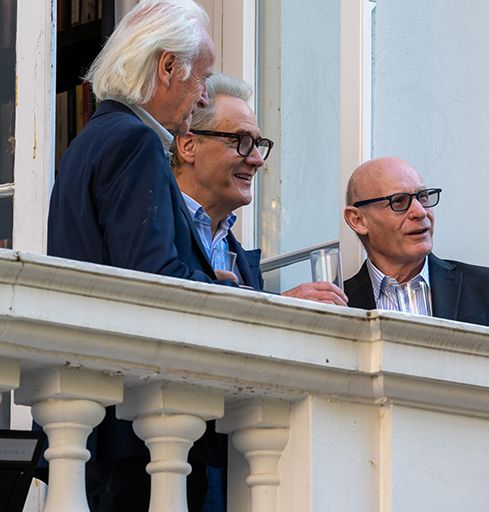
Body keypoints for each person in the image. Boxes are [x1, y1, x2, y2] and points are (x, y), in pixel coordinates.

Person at [46, 1, 222, 510]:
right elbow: (154, 282)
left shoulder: (88, 141)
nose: (205, 97)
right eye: (203, 77)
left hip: (98, 423)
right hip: (140, 431)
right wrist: (239, 296)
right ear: (167, 67)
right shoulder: (136, 142)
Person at [343, 156, 489, 511]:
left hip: (480, 492)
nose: (420, 212)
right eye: (399, 202)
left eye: (423, 197)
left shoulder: (486, 287)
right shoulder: (341, 306)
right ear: (358, 219)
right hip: (374, 493)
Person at [171, 72, 347, 305]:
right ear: (189, 146)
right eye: (241, 141)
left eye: (257, 144)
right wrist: (281, 304)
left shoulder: (243, 261)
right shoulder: (150, 229)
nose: (257, 160)